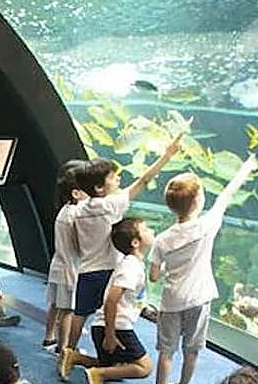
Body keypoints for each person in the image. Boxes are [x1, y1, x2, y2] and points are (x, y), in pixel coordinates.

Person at [130, 153, 258, 384]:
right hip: (200, 298)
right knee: (193, 350)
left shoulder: (163, 239)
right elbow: (227, 195)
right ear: (199, 201)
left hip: (172, 302)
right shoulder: (207, 225)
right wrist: (246, 168)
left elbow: (154, 276)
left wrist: (168, 268)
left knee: (167, 351)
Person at [66, 134, 182, 353]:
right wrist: (166, 156)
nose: (118, 179)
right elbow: (144, 181)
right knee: (113, 313)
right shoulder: (111, 204)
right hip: (109, 270)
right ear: (100, 188)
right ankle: (114, 350)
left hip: (86, 269)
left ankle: (68, 351)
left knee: (80, 313)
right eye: (113, 177)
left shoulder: (79, 209)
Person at [58, 217, 154, 384]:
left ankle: (76, 358)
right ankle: (98, 375)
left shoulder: (133, 264)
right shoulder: (131, 267)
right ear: (135, 243)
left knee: (115, 363)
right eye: (147, 229)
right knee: (144, 368)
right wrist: (110, 335)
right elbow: (111, 301)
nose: (151, 231)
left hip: (106, 326)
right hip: (116, 328)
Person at [42, 159, 88, 353]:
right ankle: (64, 349)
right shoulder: (77, 214)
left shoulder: (64, 210)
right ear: (76, 193)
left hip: (58, 264)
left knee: (55, 305)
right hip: (71, 268)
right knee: (68, 310)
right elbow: (79, 245)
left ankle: (48, 337)